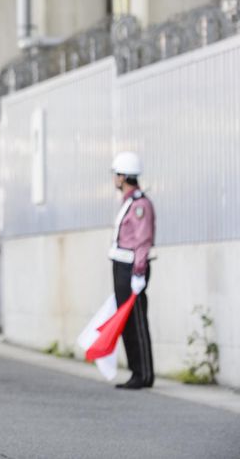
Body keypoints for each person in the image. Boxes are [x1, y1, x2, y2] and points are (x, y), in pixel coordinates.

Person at [110, 151, 155, 389]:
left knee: (136, 321)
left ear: (124, 176)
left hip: (132, 268)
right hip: (121, 266)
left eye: (117, 175)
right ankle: (136, 372)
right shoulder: (128, 202)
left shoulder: (139, 204)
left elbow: (142, 241)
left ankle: (144, 373)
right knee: (126, 321)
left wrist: (138, 272)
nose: (115, 180)